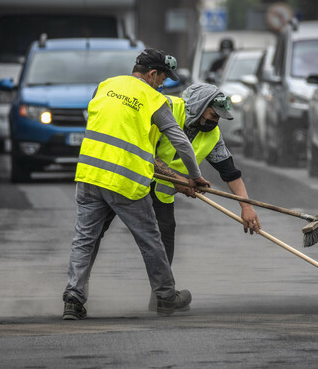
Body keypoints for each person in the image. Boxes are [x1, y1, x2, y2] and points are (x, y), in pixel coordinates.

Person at [62, 48, 211, 320]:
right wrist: (194, 176)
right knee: (150, 240)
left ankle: (73, 297)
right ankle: (166, 297)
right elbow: (180, 140)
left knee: (84, 239)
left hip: (89, 175)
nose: (163, 85)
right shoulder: (153, 98)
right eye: (163, 79)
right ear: (152, 74)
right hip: (125, 180)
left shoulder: (105, 86)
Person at [149, 83, 261, 309]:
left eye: (219, 118)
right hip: (131, 182)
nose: (215, 122)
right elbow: (142, 153)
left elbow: (230, 172)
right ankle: (76, 293)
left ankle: (162, 297)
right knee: (99, 231)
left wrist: (246, 206)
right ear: (199, 107)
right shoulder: (167, 110)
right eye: (212, 115)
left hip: (161, 192)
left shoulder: (212, 136)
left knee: (166, 234)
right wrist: (180, 181)